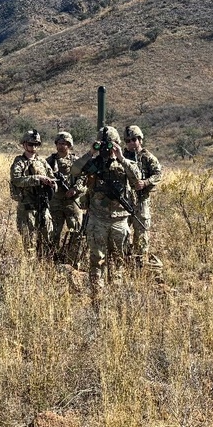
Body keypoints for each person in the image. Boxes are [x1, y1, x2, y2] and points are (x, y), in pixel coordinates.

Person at [70, 125, 142, 300]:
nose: (107, 148)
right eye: (104, 144)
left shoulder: (125, 163)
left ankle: (115, 295)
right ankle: (97, 296)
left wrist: (121, 158)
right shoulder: (94, 163)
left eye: (111, 144)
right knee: (97, 259)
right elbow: (74, 170)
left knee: (118, 260)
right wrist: (90, 153)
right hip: (97, 219)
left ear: (117, 144)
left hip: (119, 219)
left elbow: (137, 178)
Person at [9, 129, 57, 258]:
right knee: (28, 242)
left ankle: (45, 265)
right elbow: (17, 180)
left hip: (43, 205)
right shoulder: (19, 162)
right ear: (24, 144)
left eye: (36, 145)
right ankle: (30, 269)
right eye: (30, 144)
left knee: (47, 238)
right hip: (27, 207)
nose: (33, 147)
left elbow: (52, 178)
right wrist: (38, 179)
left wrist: (52, 184)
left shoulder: (42, 162)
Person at [122, 125, 163, 267]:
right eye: (128, 140)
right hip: (124, 201)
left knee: (141, 232)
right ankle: (124, 260)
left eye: (134, 139)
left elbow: (158, 174)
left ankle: (140, 263)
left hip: (141, 200)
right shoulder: (122, 157)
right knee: (123, 232)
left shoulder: (147, 157)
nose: (131, 143)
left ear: (140, 139)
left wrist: (145, 183)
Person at [46, 131, 86, 265]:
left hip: (72, 201)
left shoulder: (76, 161)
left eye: (65, 144)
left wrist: (75, 189)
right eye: (60, 143)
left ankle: (72, 260)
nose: (62, 146)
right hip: (55, 201)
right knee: (53, 233)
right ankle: (51, 260)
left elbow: (83, 177)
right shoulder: (49, 162)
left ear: (70, 145)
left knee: (76, 231)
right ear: (56, 144)